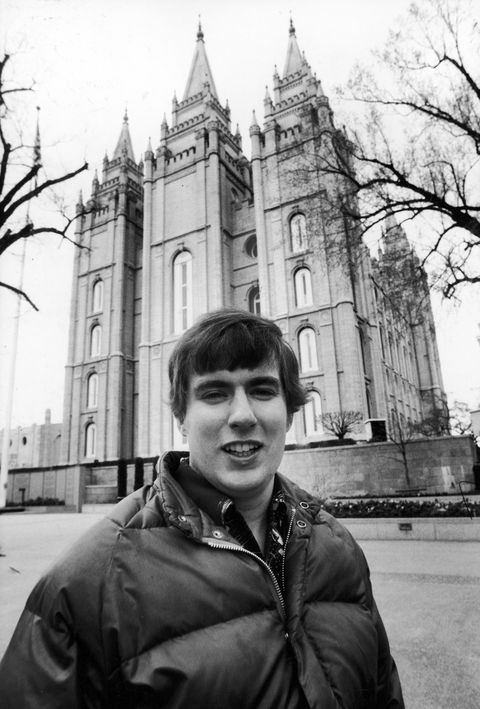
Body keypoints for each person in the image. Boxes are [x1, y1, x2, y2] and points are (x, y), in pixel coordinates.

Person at [0, 308, 404, 708]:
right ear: (181, 417)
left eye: (262, 390)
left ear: (291, 411)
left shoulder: (339, 550)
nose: (243, 416)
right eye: (215, 393)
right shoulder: (92, 579)